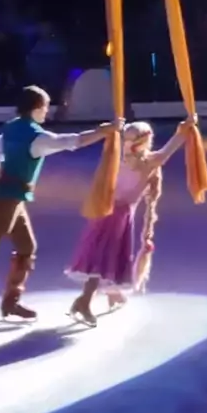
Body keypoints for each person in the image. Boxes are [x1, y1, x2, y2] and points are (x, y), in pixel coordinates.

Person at [0, 85, 120, 325]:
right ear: (36, 108)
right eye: (45, 107)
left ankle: (11, 302)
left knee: (26, 246)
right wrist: (103, 131)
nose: (47, 112)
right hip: (7, 199)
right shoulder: (37, 137)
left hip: (11, 197)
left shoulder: (11, 128)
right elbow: (72, 141)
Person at [65, 116, 196, 326]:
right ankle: (84, 301)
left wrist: (115, 129)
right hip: (117, 214)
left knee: (105, 255)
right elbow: (174, 144)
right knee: (103, 257)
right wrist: (186, 127)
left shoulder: (119, 156)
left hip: (104, 210)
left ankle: (112, 293)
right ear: (147, 140)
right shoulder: (150, 162)